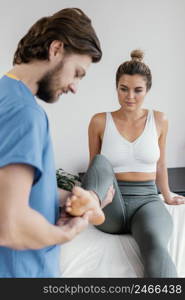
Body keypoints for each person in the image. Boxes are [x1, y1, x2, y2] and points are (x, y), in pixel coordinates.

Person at [0, 7, 114, 278]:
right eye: (77, 72)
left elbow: (13, 193)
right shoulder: (25, 114)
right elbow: (11, 225)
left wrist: (64, 200)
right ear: (56, 49)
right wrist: (65, 234)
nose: (75, 86)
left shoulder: (5, 95)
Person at [67, 49, 185, 278]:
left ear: (147, 90)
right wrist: (98, 196)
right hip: (109, 203)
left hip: (147, 201)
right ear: (116, 87)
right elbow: (95, 166)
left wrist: (168, 195)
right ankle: (90, 201)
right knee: (101, 161)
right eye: (123, 89)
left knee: (156, 245)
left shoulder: (159, 120)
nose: (129, 96)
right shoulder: (100, 121)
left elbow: (161, 164)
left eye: (137, 90)